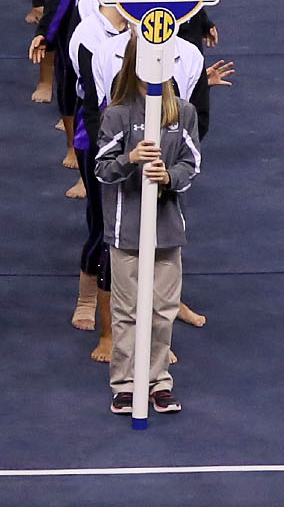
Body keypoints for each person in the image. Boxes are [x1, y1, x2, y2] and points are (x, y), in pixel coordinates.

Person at [93, 54, 198, 415]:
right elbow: (102, 170)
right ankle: (124, 384)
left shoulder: (183, 112)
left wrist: (169, 177)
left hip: (167, 230)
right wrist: (130, 158)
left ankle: (158, 381)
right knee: (126, 312)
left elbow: (192, 163)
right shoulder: (117, 114)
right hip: (126, 230)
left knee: (163, 311)